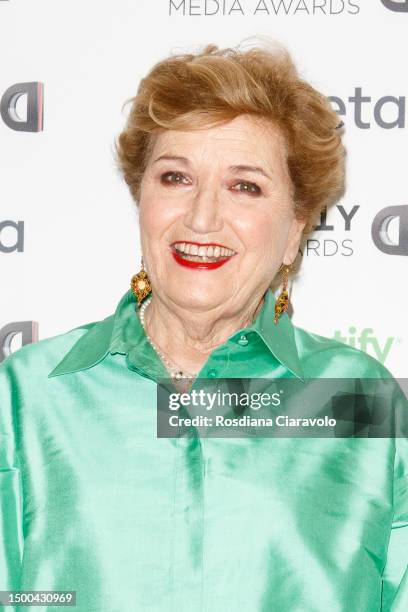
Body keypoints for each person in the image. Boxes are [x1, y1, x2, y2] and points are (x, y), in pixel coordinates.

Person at [1, 40, 407, 612]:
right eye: (175, 178)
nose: (202, 217)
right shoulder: (25, 397)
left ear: (295, 229)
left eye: (245, 186)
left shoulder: (361, 399)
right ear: (140, 199)